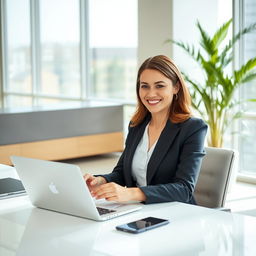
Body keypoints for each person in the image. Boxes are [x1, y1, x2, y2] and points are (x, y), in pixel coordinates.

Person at [84, 55, 208, 204]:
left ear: (176, 87)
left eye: (160, 86)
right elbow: (122, 172)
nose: (150, 94)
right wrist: (100, 181)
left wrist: (132, 193)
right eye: (145, 86)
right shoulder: (137, 125)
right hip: (138, 210)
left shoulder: (193, 128)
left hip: (174, 213)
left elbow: (184, 189)